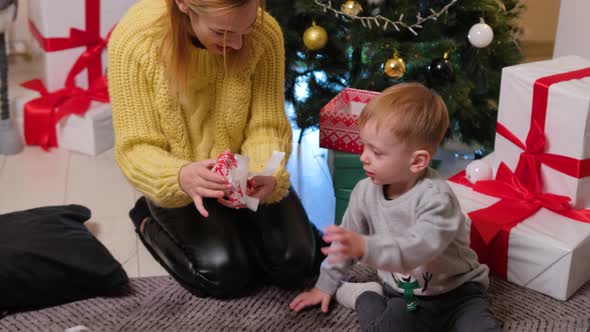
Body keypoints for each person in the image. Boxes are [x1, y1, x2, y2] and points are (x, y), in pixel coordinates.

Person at [108, 0, 323, 299]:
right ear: (183, 5)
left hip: (242, 169)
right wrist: (180, 176)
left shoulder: (264, 34)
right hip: (181, 176)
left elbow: (266, 125)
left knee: (297, 264)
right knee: (225, 274)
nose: (236, 43)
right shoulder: (136, 41)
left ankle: (237, 227)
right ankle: (145, 218)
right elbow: (136, 147)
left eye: (245, 29)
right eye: (222, 32)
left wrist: (265, 172)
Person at [289, 83, 500, 332]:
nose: (363, 157)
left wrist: (366, 246)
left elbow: (418, 248)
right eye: (364, 146)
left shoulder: (437, 199)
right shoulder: (364, 193)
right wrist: (325, 285)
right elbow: (344, 247)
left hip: (459, 293)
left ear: (417, 161)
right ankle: (365, 296)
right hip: (404, 295)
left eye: (377, 152)